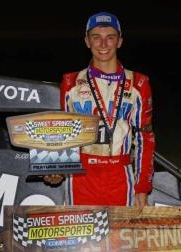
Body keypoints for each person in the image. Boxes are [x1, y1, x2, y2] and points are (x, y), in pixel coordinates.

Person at [45, 12, 155, 207]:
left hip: (120, 175)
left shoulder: (138, 83)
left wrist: (142, 188)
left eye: (110, 37)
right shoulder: (70, 82)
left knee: (121, 237)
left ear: (120, 41)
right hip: (81, 175)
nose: (103, 44)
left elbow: (144, 138)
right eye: (96, 37)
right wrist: (55, 167)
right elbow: (61, 132)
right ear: (87, 41)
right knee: (80, 237)